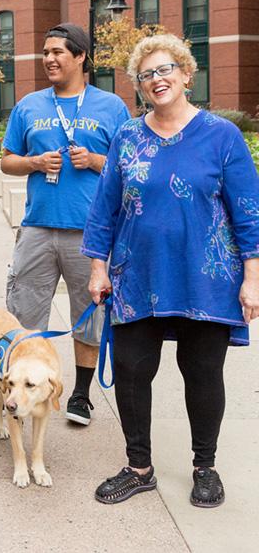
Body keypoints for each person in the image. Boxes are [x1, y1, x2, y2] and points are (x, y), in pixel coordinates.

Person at [82, 34, 259, 507]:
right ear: (139, 87)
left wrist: (252, 277)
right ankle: (138, 467)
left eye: (165, 70)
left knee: (202, 374)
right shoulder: (127, 137)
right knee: (132, 372)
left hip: (207, 279)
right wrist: (98, 268)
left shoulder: (222, 136)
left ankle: (206, 466)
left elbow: (248, 212)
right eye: (146, 75)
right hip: (136, 277)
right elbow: (105, 210)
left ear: (185, 74)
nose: (156, 80)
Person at [0, 22, 130, 425]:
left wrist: (93, 161)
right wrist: (35, 162)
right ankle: (16, 390)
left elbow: (129, 166)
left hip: (90, 235)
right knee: (23, 315)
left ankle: (79, 395)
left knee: (88, 315)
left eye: (57, 52)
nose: (49, 59)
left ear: (80, 57)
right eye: (45, 52)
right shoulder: (29, 106)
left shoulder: (111, 107)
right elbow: (7, 160)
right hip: (37, 227)